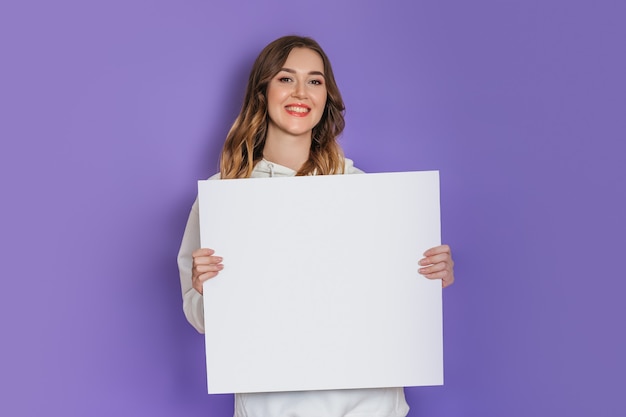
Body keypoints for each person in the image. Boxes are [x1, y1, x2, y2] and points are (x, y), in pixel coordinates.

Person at [177, 35, 455, 417]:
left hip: (369, 404)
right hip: (271, 406)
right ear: (262, 91)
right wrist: (208, 289)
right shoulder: (221, 198)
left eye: (315, 80)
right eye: (286, 78)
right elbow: (202, 320)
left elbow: (392, 300)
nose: (301, 92)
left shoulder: (364, 190)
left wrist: (429, 274)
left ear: (326, 97)